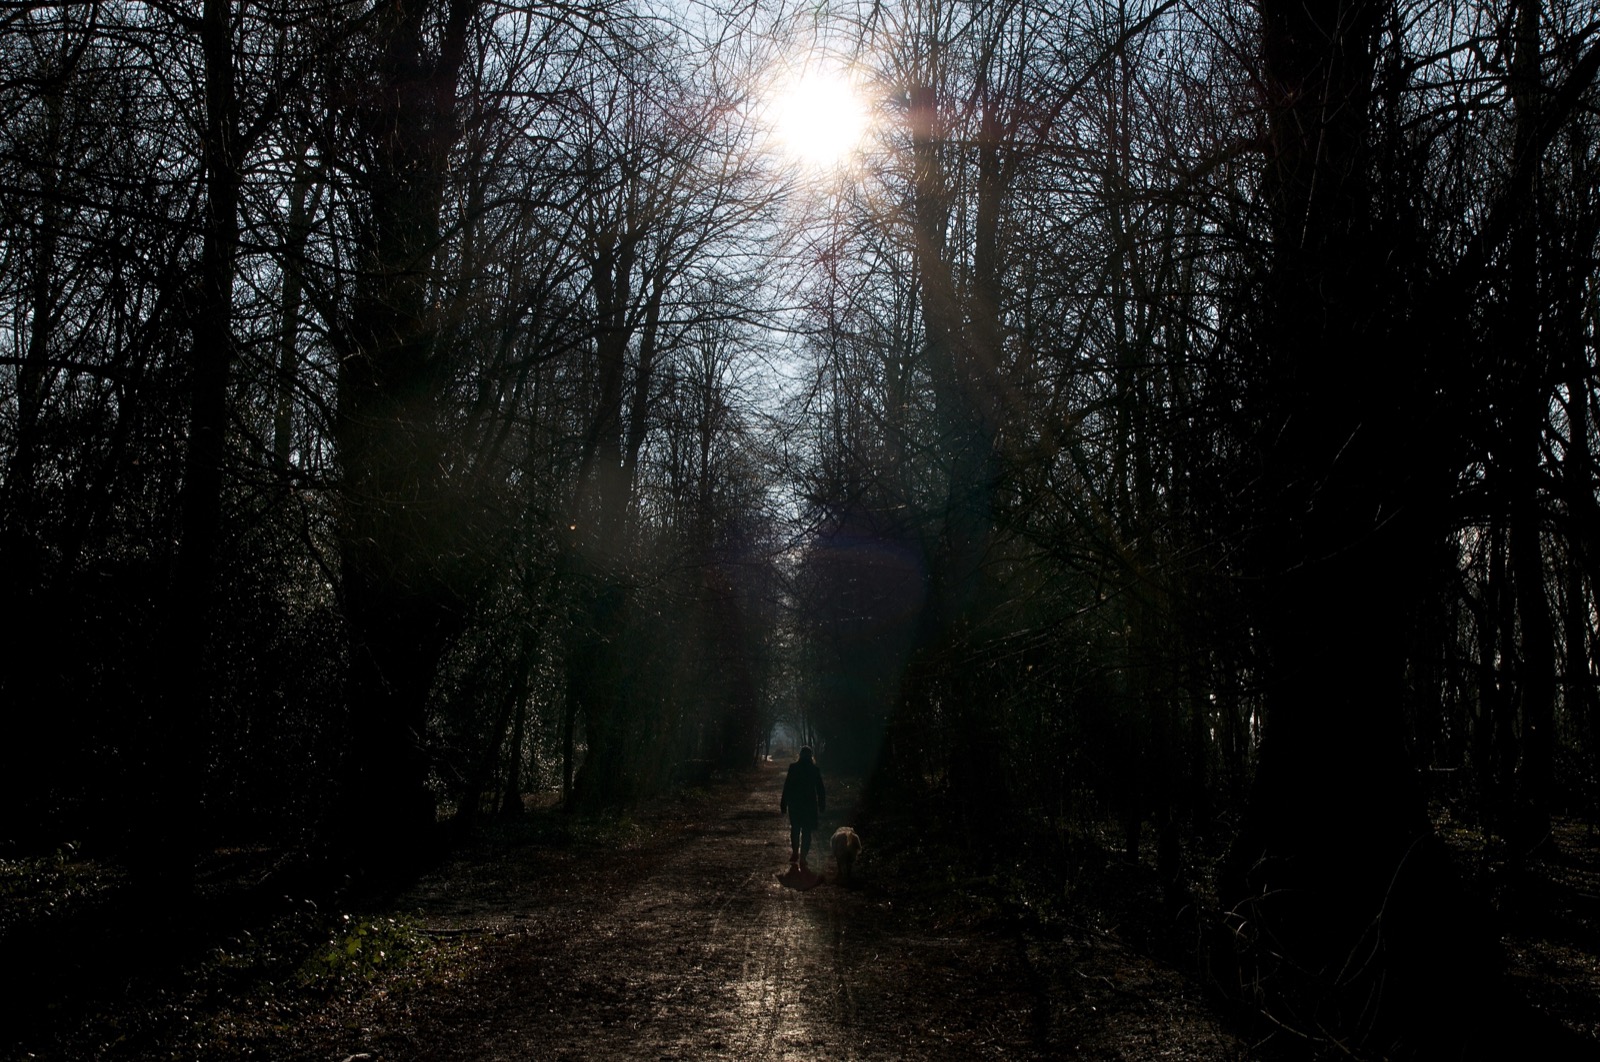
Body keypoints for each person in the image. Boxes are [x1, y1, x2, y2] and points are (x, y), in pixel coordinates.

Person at [780, 746, 826, 871]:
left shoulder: (793, 768)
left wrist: (783, 804)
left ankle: (795, 851)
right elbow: (820, 789)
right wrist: (822, 804)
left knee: (795, 829)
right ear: (811, 756)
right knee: (807, 832)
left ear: (800, 755)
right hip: (809, 805)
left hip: (795, 804)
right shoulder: (814, 769)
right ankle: (803, 857)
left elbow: (787, 787)